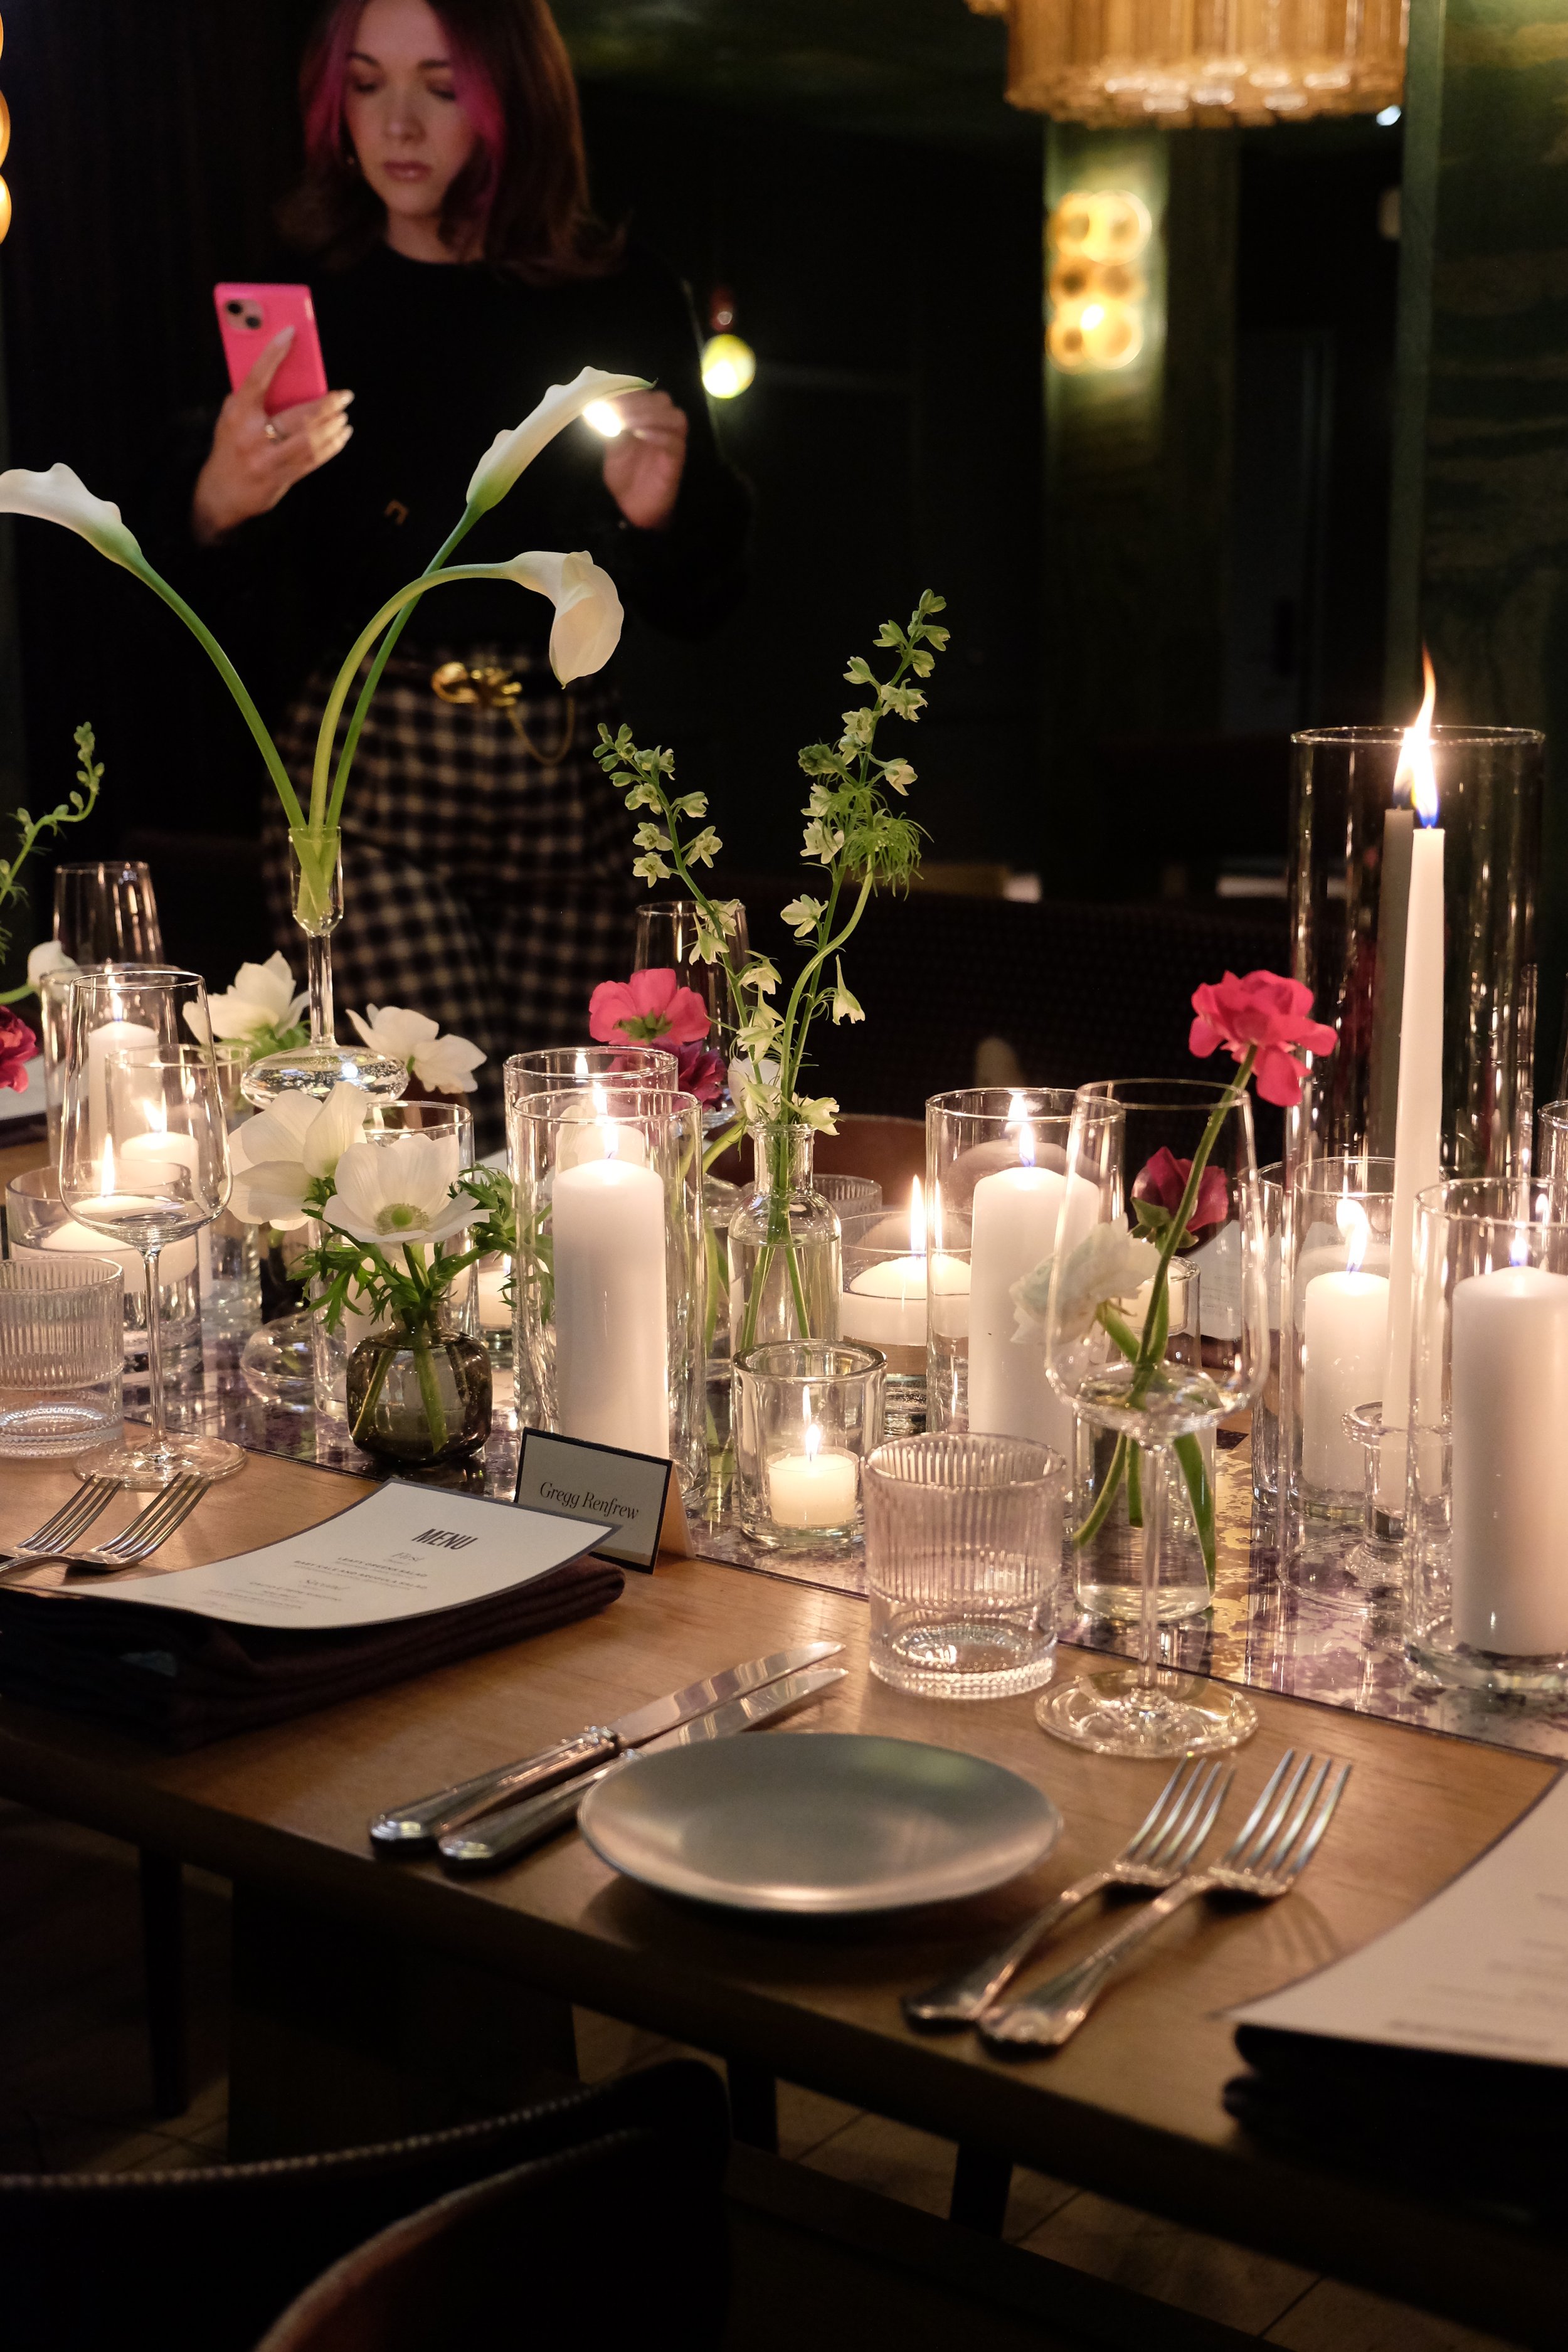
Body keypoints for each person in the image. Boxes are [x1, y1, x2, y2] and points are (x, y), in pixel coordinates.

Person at [184, 0, 748, 1139]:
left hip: (567, 757)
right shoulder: (304, 292)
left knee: (584, 1128)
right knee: (437, 1126)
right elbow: (238, 608)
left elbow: (708, 597)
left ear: (512, 100)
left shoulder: (621, 292)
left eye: (441, 87)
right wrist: (217, 502)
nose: (398, 124)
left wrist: (661, 511)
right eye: (367, 83)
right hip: (374, 766)